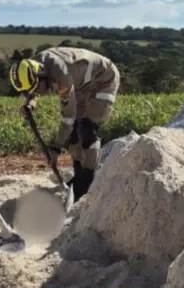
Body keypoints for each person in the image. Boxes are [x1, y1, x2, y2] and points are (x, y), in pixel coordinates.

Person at [8, 46, 120, 202]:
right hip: (81, 85)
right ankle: (79, 176)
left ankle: (87, 181)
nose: (41, 92)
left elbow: (68, 117)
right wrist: (30, 103)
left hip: (103, 80)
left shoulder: (62, 75)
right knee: (73, 135)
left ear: (41, 74)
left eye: (39, 87)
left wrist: (55, 148)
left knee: (86, 128)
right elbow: (33, 90)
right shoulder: (33, 66)